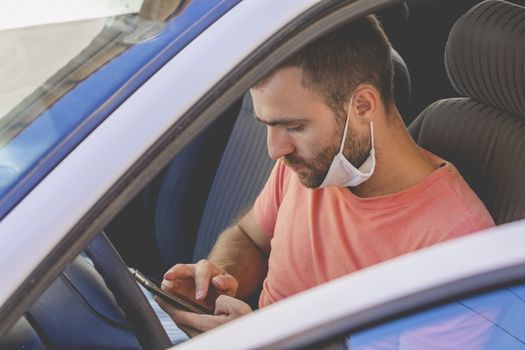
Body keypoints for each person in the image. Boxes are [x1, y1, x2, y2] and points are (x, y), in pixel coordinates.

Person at [155, 15, 495, 335]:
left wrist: (263, 338)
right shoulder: (314, 166)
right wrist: (218, 282)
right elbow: (250, 236)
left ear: (362, 106)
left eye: (293, 126)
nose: (275, 149)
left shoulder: (456, 243)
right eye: (269, 126)